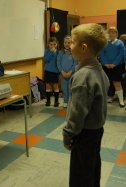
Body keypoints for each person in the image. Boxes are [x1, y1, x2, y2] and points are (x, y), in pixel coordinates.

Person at [62, 23, 109, 187]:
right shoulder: (99, 71)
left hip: (83, 133)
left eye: (72, 42)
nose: (69, 46)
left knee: (80, 174)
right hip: (96, 131)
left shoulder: (83, 76)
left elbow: (77, 113)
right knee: (92, 166)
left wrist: (68, 135)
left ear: (83, 48)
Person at [99, 27, 125, 107]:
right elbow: (102, 53)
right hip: (105, 66)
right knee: (105, 83)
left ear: (116, 34)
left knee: (117, 83)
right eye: (109, 33)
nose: (111, 34)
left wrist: (114, 63)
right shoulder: (104, 43)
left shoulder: (120, 43)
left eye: (113, 33)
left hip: (117, 67)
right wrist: (105, 63)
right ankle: (103, 101)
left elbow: (121, 54)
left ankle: (121, 101)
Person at [57, 35, 78, 108]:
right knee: (64, 88)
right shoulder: (60, 53)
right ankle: (65, 101)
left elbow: (75, 63)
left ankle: (71, 101)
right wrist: (62, 71)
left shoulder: (74, 53)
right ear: (63, 43)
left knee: (70, 88)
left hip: (71, 74)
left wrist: (70, 72)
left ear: (72, 43)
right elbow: (58, 63)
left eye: (69, 42)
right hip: (63, 74)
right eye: (65, 42)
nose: (67, 44)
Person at [43, 37, 60, 107]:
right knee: (48, 85)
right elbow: (46, 59)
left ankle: (56, 101)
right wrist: (51, 52)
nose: (53, 46)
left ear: (57, 44)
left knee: (55, 85)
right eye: (51, 44)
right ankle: (48, 101)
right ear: (48, 45)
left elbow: (59, 62)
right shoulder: (47, 51)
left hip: (55, 71)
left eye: (54, 44)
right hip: (47, 71)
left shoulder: (59, 52)